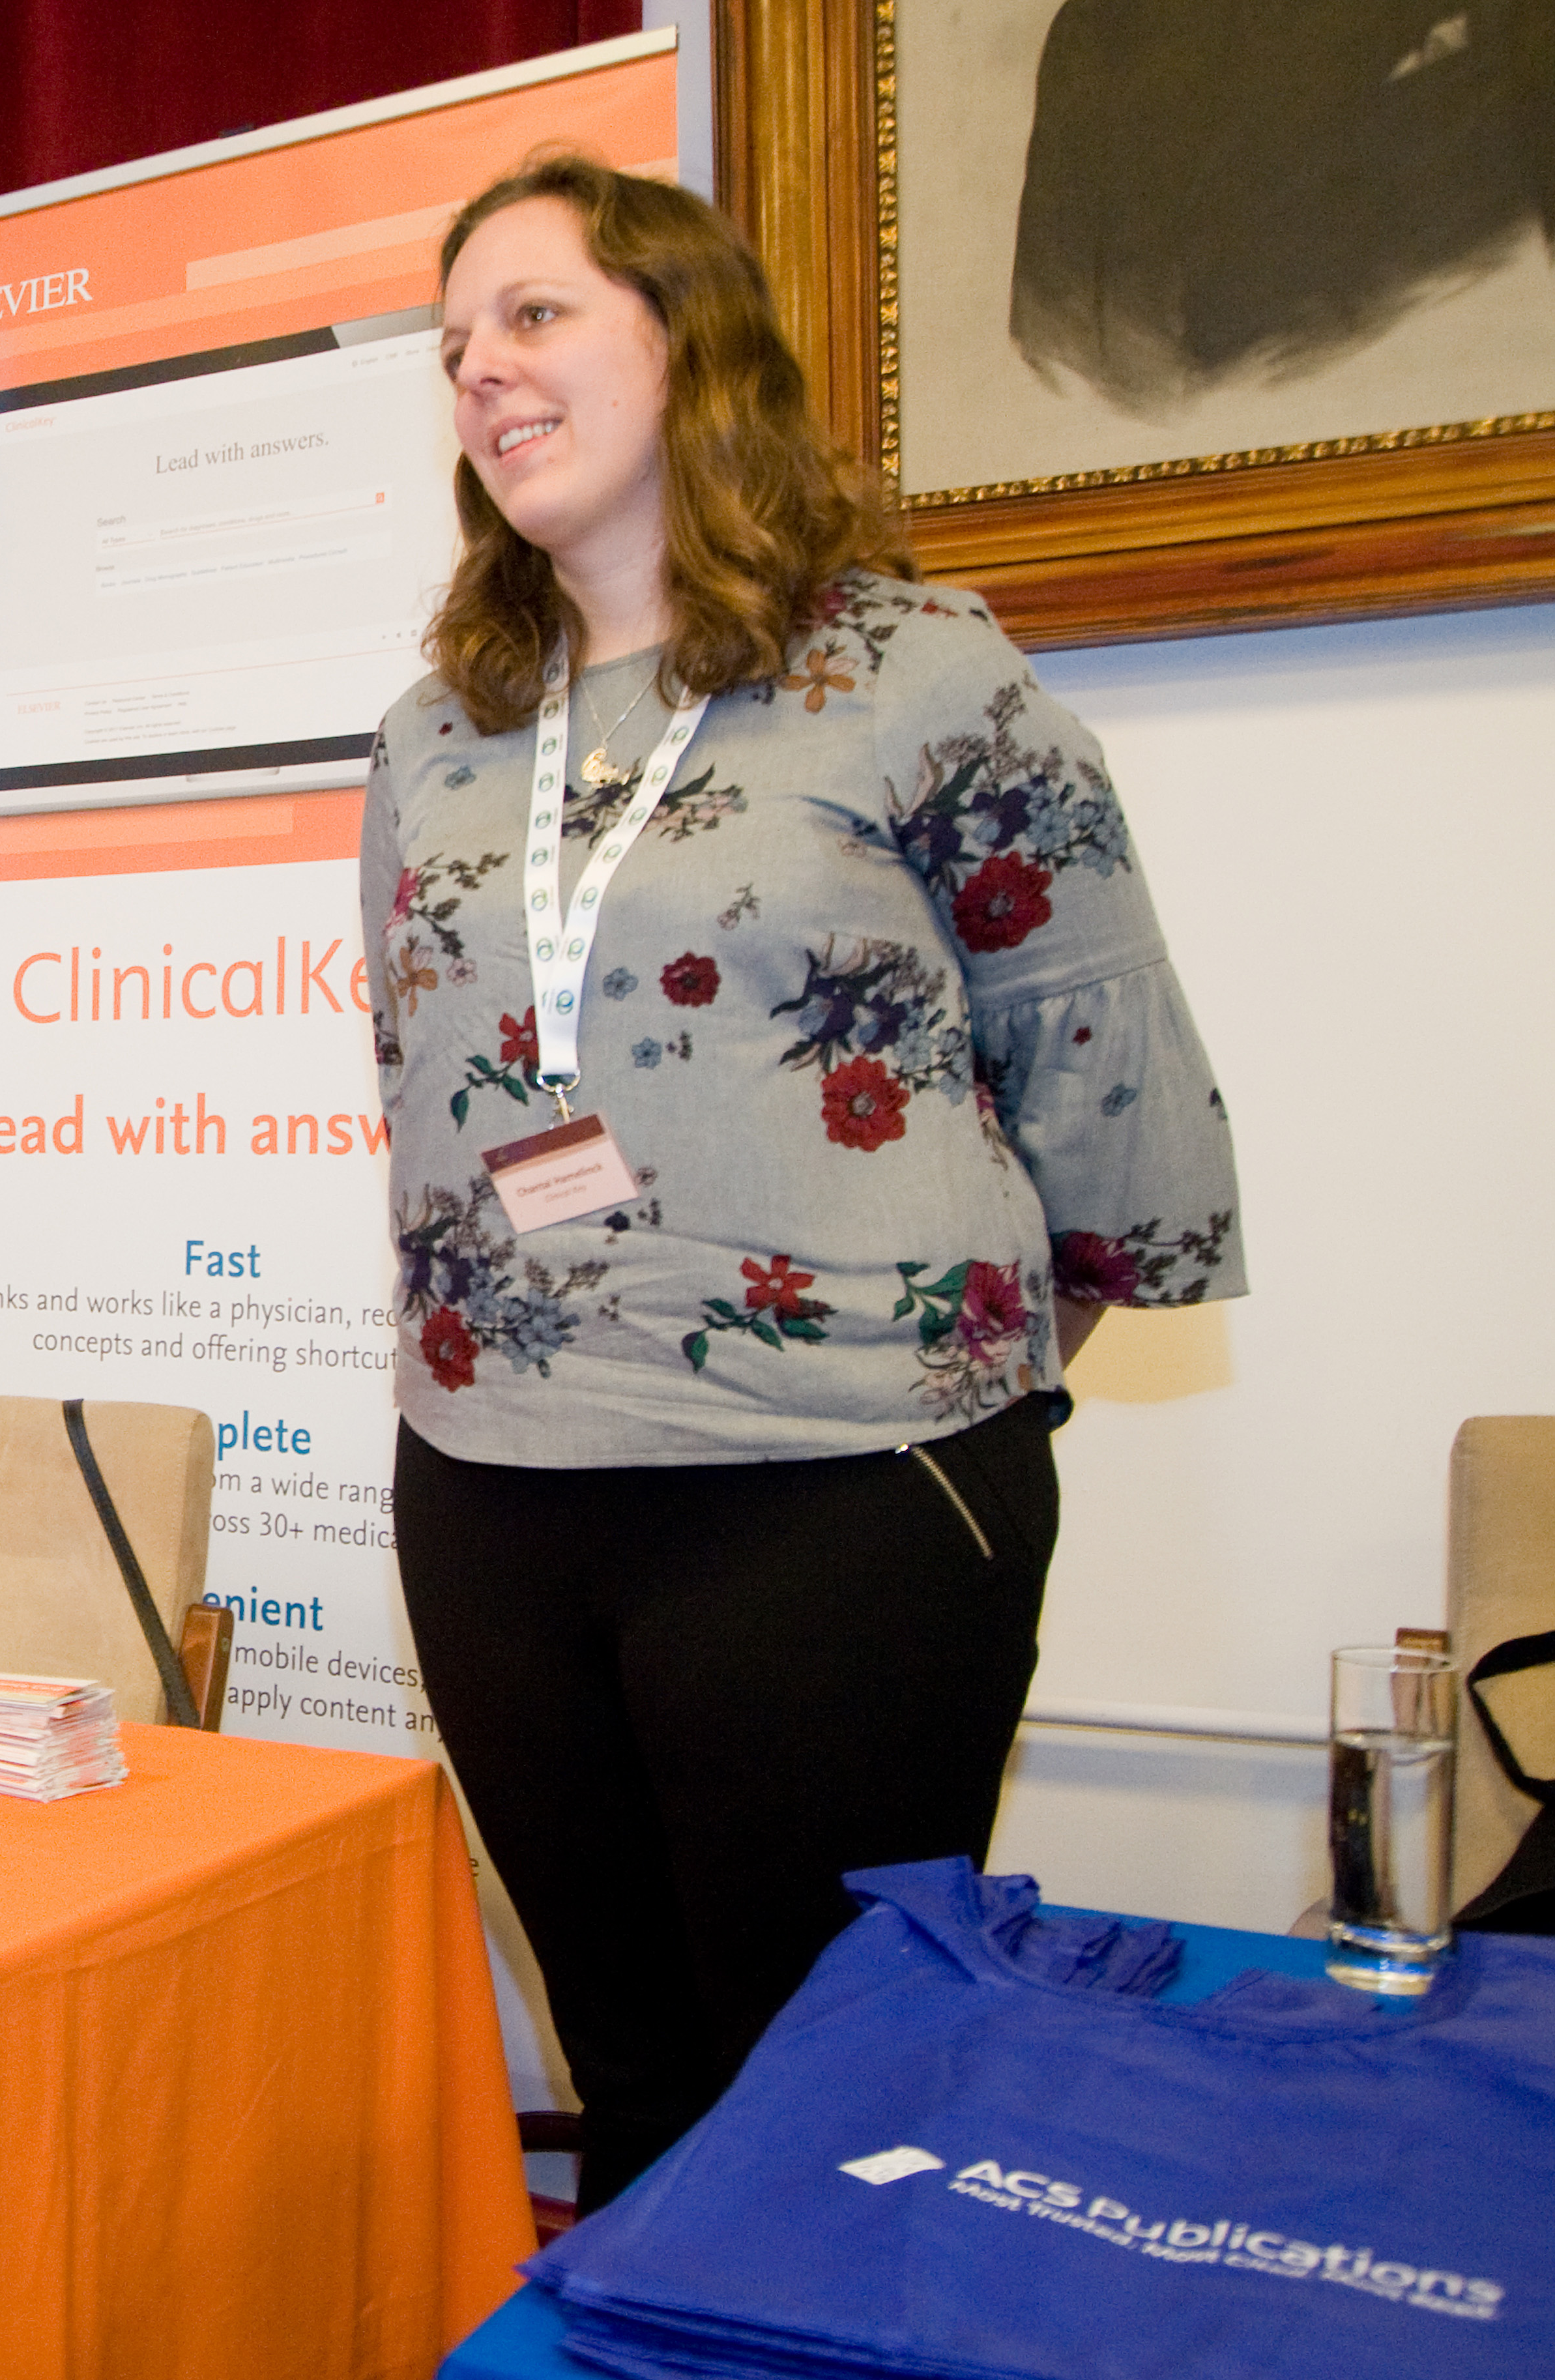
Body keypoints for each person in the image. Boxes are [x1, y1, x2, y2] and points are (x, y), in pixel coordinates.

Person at [358, 155, 1247, 2213]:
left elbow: (1088, 1046)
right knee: (632, 2073)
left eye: (532, 315)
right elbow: (429, 1079)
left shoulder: (916, 668)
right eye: (453, 343)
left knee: (834, 2092)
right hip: (490, 1486)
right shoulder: (434, 731)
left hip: (837, 1498)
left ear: (691, 340)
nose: (477, 369)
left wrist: (945, 1367)